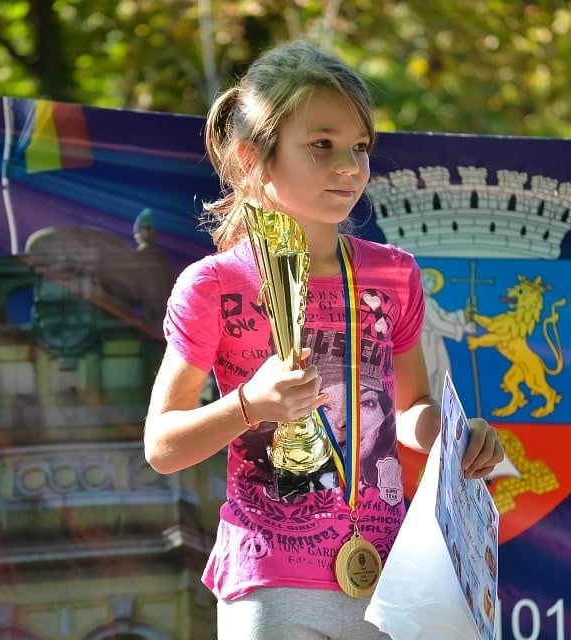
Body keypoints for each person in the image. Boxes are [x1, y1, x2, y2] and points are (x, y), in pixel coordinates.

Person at [143, 39, 505, 640]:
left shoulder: (394, 274)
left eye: (360, 147)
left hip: (391, 576)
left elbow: (411, 411)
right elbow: (161, 446)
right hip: (270, 576)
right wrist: (248, 406)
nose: (349, 166)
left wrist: (455, 438)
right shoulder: (213, 284)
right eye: (321, 146)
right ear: (252, 155)